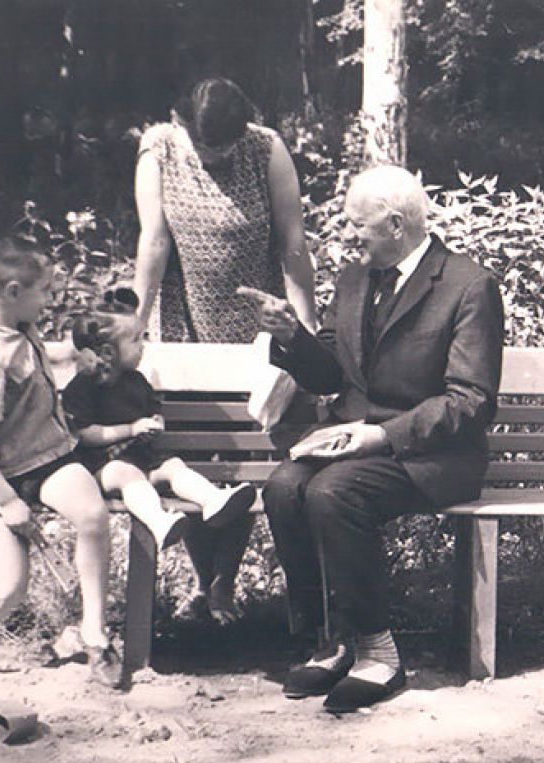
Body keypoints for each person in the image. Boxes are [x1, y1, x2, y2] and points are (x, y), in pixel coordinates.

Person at [244, 165, 505, 713]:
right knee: (284, 488)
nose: (348, 234)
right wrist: (292, 336)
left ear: (394, 224)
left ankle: (379, 654)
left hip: (434, 454)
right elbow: (331, 374)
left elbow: (471, 400)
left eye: (356, 224)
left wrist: (382, 435)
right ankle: (330, 641)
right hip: (355, 443)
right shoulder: (354, 279)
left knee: (333, 493)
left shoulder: (468, 285)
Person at [132, 77, 318, 623]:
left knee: (243, 456)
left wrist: (304, 325)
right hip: (183, 318)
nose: (215, 156)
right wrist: (134, 326)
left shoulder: (266, 149)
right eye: (205, 145)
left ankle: (223, 585)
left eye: (225, 147)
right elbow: (154, 242)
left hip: (254, 322)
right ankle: (200, 583)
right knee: (194, 451)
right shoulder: (159, 149)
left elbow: (293, 242)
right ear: (181, 123)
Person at [0, 236, 122, 688]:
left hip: (50, 457)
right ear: (13, 291)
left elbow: (36, 355)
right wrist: (10, 502)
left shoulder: (20, 327)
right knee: (9, 590)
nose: (50, 299)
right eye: (45, 290)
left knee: (92, 515)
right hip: (4, 479)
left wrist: (74, 355)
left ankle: (95, 633)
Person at [60, 287, 258, 551]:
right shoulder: (85, 387)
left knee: (173, 466)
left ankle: (212, 499)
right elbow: (84, 434)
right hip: (101, 467)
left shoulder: (137, 381)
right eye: (135, 340)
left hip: (143, 460)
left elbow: (150, 410)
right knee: (126, 473)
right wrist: (131, 429)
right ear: (108, 352)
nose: (143, 346)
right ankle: (158, 521)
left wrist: (154, 422)